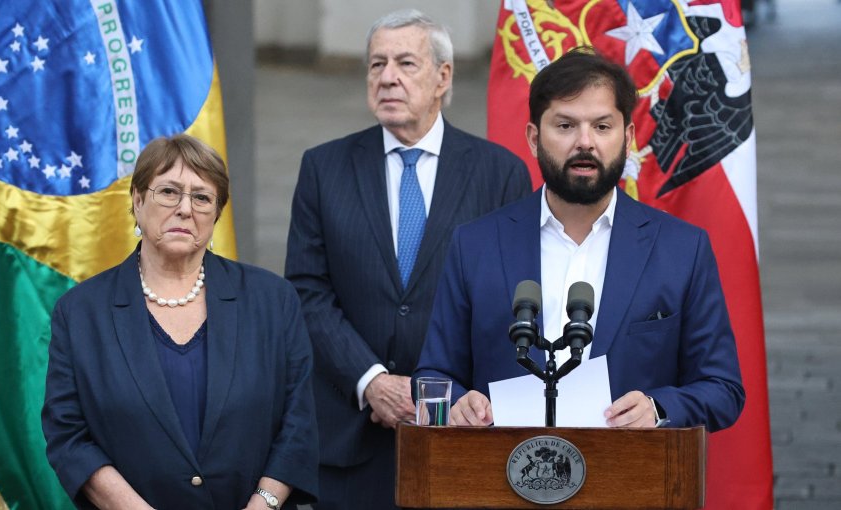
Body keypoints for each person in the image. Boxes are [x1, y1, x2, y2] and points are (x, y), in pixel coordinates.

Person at [413, 49, 745, 432]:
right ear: (534, 138)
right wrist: (458, 403)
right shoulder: (476, 244)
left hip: (627, 480)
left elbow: (723, 389)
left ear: (629, 138)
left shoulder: (682, 250)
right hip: (501, 477)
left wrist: (657, 407)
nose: (585, 142)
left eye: (602, 127)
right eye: (566, 126)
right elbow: (433, 373)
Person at [284, 9, 531, 510]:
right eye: (376, 65)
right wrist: (371, 380)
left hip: (463, 434)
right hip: (352, 440)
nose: (387, 77)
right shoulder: (323, 168)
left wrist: (456, 394)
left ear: (443, 76)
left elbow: (513, 299)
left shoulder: (499, 173)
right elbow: (307, 291)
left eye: (404, 63)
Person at [42, 134, 318, 509]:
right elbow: (68, 435)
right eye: (169, 192)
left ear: (216, 214)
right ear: (138, 202)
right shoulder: (80, 313)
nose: (185, 209)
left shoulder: (273, 301)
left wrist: (263, 503)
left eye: (202, 197)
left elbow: (298, 422)